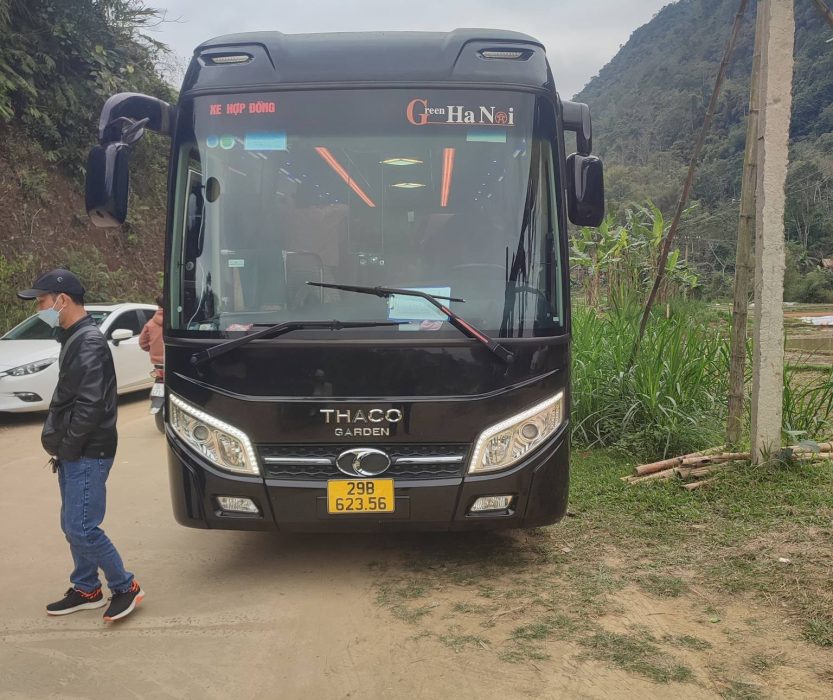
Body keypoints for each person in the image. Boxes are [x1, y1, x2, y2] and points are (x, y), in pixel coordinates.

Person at [17, 269, 143, 622]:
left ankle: (125, 586)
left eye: (41, 301)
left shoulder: (86, 341)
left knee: (82, 527)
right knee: (73, 523)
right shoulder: (73, 336)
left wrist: (68, 446)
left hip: (88, 450)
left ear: (63, 300)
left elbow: (90, 405)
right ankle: (86, 588)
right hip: (76, 449)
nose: (38, 308)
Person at [139, 295, 164, 366]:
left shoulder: (150, 324)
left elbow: (143, 343)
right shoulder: (177, 323)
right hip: (174, 360)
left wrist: (154, 348)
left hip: (158, 363)